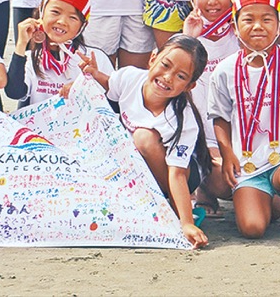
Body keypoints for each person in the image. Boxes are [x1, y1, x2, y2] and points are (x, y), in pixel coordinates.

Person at [80, 35, 211, 249]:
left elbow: (177, 174)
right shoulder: (129, 77)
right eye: (165, 65)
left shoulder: (183, 119)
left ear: (190, 86)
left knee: (143, 138)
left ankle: (170, 206)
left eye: (180, 76)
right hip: (136, 169)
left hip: (178, 175)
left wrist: (186, 222)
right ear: (152, 59)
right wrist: (93, 74)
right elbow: (110, 84)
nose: (167, 77)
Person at [208, 0, 280, 238]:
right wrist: (227, 153)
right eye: (248, 19)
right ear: (235, 27)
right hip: (249, 163)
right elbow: (220, 117)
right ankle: (270, 201)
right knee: (252, 228)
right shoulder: (225, 70)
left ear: (279, 26)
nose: (258, 26)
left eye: (267, 19)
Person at [181, 0, 243, 212]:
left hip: (244, 136)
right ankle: (204, 187)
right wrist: (188, 39)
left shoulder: (242, 33)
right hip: (205, 139)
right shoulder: (185, 38)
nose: (212, 1)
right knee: (226, 183)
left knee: (272, 209)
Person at [4, 0, 113, 107]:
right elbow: (13, 93)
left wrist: (88, 85)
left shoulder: (95, 58)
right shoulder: (31, 58)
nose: (62, 21)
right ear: (42, 11)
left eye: (73, 17)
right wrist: (21, 45)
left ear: (83, 25)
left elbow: (115, 101)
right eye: (55, 12)